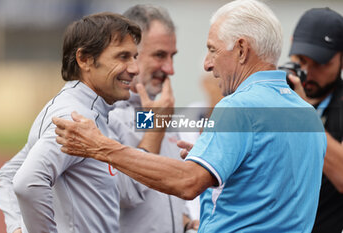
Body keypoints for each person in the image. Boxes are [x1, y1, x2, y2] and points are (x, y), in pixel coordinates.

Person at [52, 0, 327, 232]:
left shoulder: (235, 108)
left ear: (242, 50)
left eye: (212, 50)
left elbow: (185, 182)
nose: (206, 65)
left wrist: (100, 146)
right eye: (160, 55)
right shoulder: (307, 115)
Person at [0, 12, 142, 233]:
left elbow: (8, 174)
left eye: (135, 57)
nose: (135, 68)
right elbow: (27, 182)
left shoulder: (94, 109)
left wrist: (16, 226)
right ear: (84, 59)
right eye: (122, 56)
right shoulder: (74, 116)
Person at [109, 5, 197, 233]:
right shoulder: (105, 113)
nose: (170, 69)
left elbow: (166, 193)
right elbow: (127, 194)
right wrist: (156, 127)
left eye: (172, 56)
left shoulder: (160, 108)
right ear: (129, 52)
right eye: (160, 55)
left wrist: (186, 222)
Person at [287, 7, 343, 233]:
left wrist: (304, 115)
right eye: (300, 60)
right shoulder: (277, 91)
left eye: (320, 63)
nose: (307, 72)